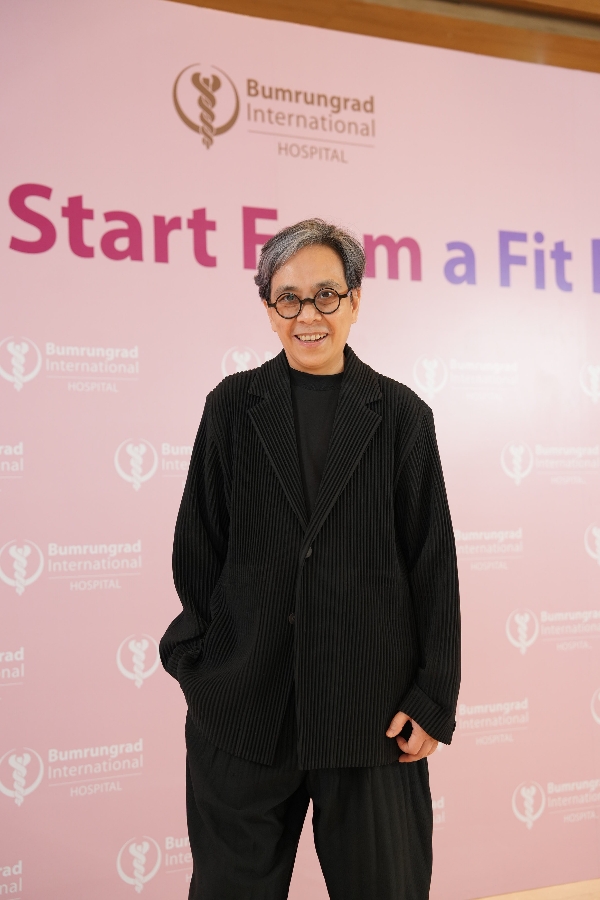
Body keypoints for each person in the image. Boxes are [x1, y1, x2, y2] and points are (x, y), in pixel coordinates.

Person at [159, 218, 461, 900]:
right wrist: (204, 668)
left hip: (372, 715)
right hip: (244, 711)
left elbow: (433, 567)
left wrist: (433, 695)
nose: (308, 315)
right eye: (288, 298)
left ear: (354, 300)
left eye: (326, 295)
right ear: (269, 309)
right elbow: (198, 548)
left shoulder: (403, 417)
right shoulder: (232, 407)